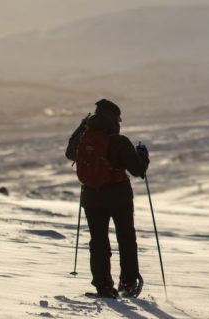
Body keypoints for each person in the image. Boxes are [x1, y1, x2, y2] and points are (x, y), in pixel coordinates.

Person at [65, 99, 150, 298]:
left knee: (98, 241)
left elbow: (70, 154)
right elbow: (138, 169)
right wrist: (143, 155)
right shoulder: (119, 141)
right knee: (126, 238)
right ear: (114, 119)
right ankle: (128, 283)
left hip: (92, 197)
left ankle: (103, 285)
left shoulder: (85, 137)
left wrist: (82, 127)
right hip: (119, 197)